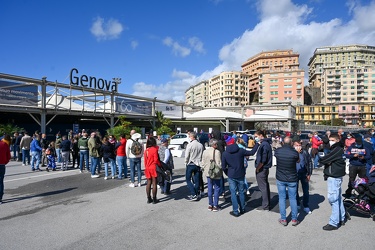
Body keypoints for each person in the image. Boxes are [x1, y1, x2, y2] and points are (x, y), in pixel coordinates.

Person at [222, 136, 259, 217]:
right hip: (240, 173)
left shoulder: (225, 153)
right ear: (234, 142)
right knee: (241, 191)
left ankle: (235, 211)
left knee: (233, 193)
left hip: (231, 174)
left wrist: (227, 173)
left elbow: (223, 166)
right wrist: (257, 144)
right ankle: (242, 208)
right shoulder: (240, 151)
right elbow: (252, 152)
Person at [319, 134, 347, 230]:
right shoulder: (337, 148)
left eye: (333, 140)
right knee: (337, 198)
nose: (330, 141)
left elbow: (324, 159)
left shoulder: (337, 149)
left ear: (338, 140)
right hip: (335, 176)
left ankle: (334, 222)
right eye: (330, 139)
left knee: (333, 199)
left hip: (334, 177)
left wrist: (324, 159)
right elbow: (328, 160)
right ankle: (342, 217)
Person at [274, 137, 300, 226]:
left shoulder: (278, 151)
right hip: (292, 178)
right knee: (293, 198)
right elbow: (298, 161)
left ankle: (283, 219)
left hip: (280, 177)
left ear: (283, 142)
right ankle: (294, 219)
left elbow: (276, 155)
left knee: (282, 198)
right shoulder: (295, 153)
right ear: (291, 143)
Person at [253, 130, 272, 211]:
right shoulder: (266, 144)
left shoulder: (264, 145)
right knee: (265, 186)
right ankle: (267, 203)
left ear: (261, 135)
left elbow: (263, 160)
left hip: (262, 168)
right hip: (264, 168)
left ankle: (265, 205)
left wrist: (258, 168)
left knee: (263, 187)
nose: (255, 138)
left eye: (256, 136)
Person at [201, 138, 222, 211]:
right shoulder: (217, 152)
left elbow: (203, 162)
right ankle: (215, 205)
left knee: (210, 188)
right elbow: (219, 163)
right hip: (215, 172)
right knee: (216, 188)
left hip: (208, 172)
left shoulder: (205, 152)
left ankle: (210, 204)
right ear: (214, 145)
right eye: (216, 144)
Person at [293, 140, 313, 214]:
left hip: (304, 173)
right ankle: (297, 203)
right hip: (295, 174)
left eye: (299, 145)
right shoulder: (292, 152)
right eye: (296, 145)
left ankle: (306, 206)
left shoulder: (304, 152)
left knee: (305, 190)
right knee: (295, 190)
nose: (298, 147)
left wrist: (309, 174)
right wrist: (296, 153)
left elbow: (310, 162)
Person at [184, 131, 204, 201]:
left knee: (188, 179)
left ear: (192, 137)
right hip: (198, 163)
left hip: (191, 163)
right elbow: (202, 155)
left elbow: (187, 156)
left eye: (190, 136)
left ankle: (193, 194)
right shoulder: (201, 145)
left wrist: (186, 162)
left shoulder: (190, 145)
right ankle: (197, 192)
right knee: (197, 180)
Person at [144, 137, 161, 204]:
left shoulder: (146, 150)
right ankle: (154, 199)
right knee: (154, 183)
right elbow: (156, 160)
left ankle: (149, 198)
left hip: (147, 167)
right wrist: (160, 166)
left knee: (148, 182)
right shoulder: (154, 149)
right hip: (153, 167)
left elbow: (145, 161)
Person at [0, 139, 11, 204]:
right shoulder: (4, 144)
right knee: (1, 181)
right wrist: (4, 162)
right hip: (2, 164)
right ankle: (0, 197)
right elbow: (8, 156)